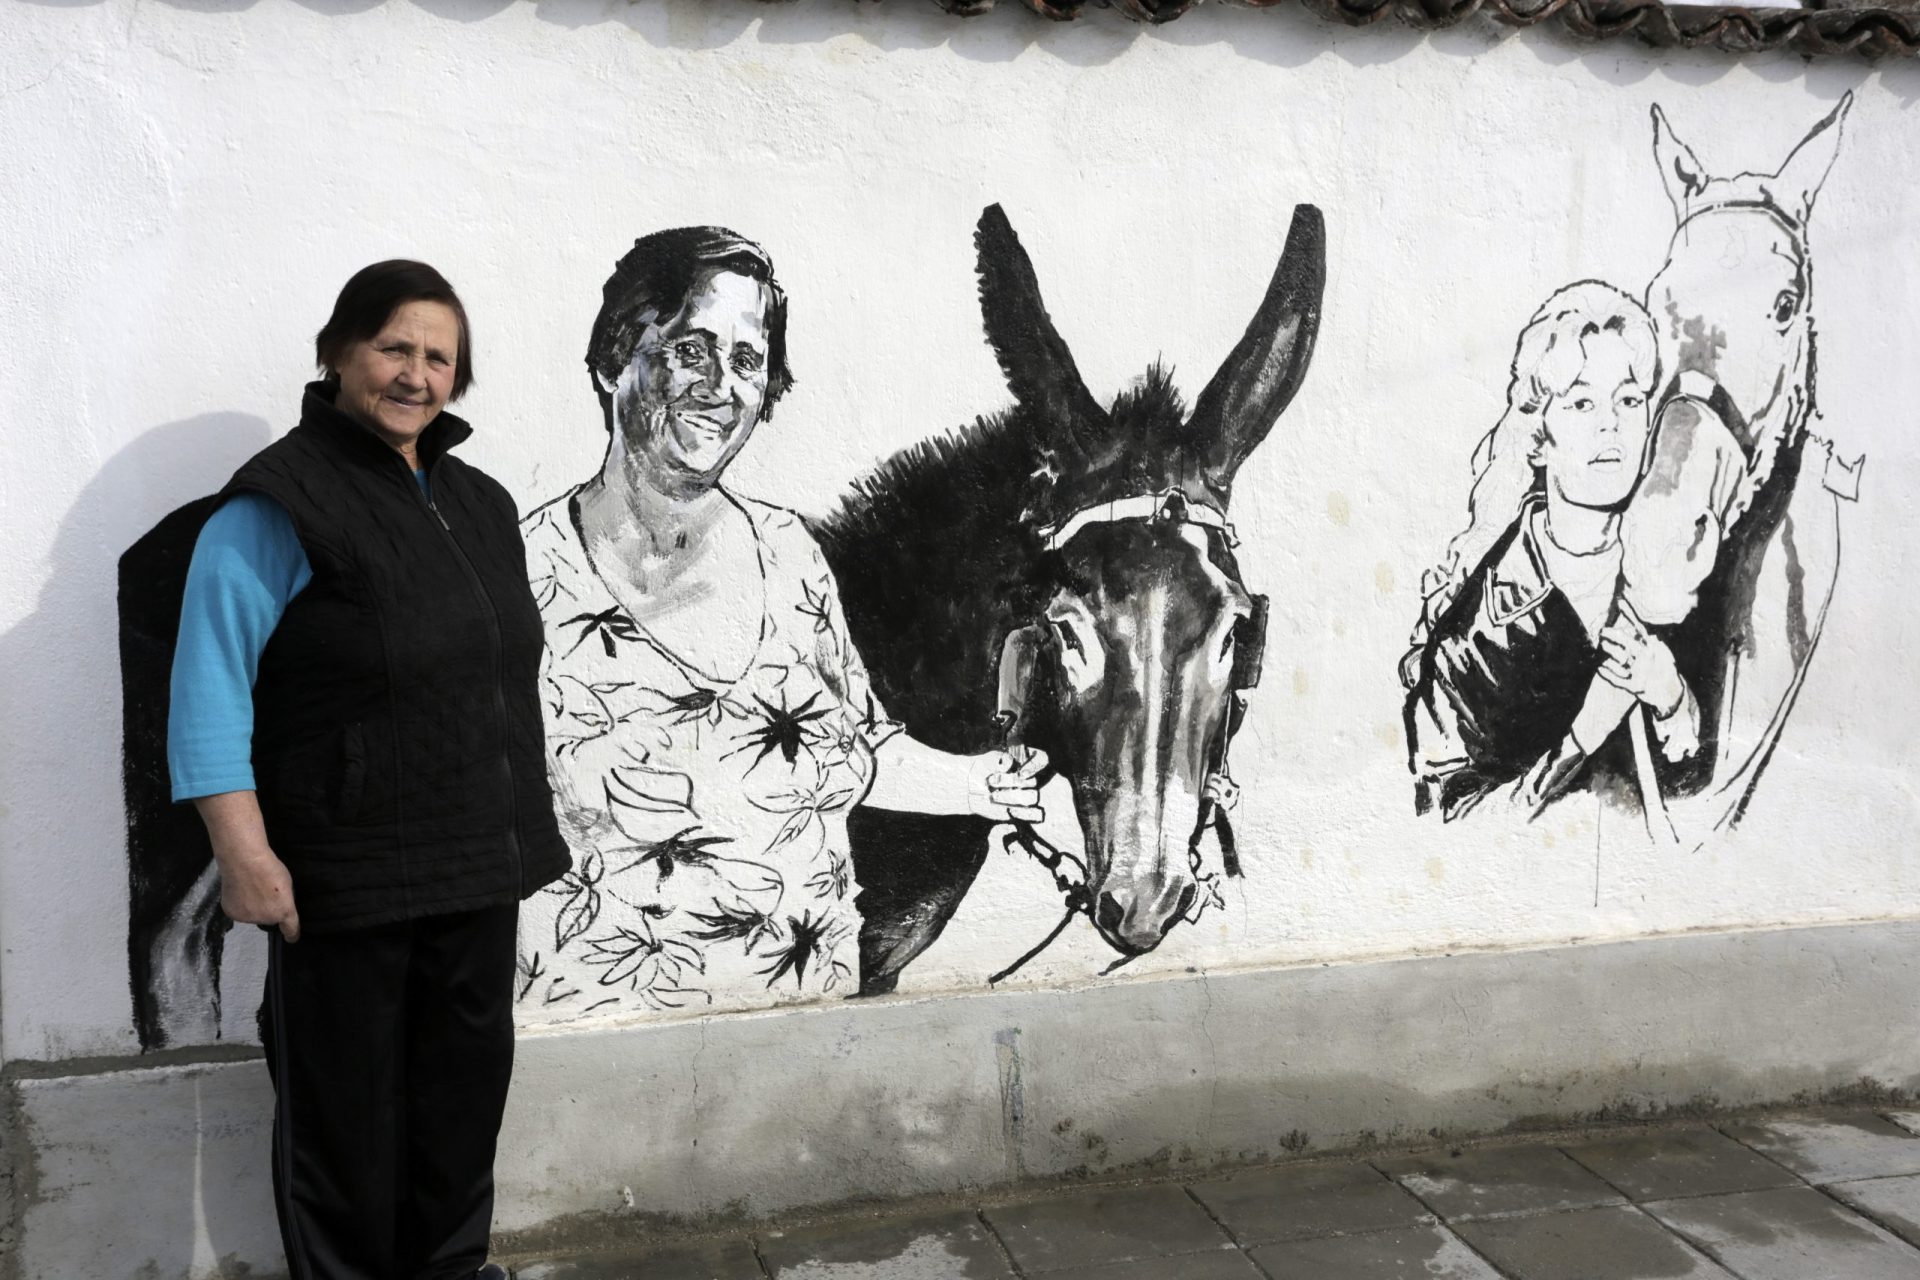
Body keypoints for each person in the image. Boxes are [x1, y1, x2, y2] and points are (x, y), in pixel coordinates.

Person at [516, 227, 1045, 1021]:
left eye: (746, 361)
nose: (720, 386)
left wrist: (975, 786)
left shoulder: (790, 554)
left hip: (801, 1035)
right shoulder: (521, 575)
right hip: (591, 1045)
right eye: (691, 350)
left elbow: (854, 746)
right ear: (612, 360)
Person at [168, 261, 569, 1280]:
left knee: (461, 1100)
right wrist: (244, 852)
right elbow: (210, 688)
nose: (416, 373)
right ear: (340, 352)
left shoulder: (480, 502)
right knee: (345, 1127)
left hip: (475, 862)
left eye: (440, 356)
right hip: (345, 878)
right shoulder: (277, 504)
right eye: (395, 346)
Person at [1402, 281, 1702, 823]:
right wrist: (1589, 728)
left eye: (1629, 400)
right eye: (1583, 401)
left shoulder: (1671, 571)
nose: (1611, 422)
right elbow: (1446, 824)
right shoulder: (1476, 628)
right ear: (1539, 437)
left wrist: (1671, 698)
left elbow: (1694, 789)